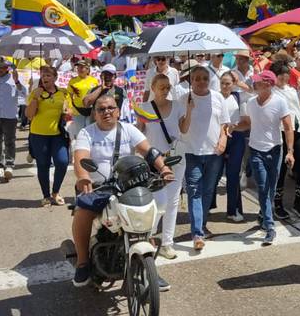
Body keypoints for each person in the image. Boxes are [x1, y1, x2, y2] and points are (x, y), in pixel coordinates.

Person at [72, 94, 173, 288]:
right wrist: (83, 176)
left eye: (110, 108)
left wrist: (163, 168)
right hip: (100, 186)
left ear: (118, 111)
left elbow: (149, 151)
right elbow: (80, 158)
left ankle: (149, 268)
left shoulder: (129, 130)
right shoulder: (87, 133)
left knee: (145, 215)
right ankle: (83, 261)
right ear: (95, 113)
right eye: (101, 109)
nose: (106, 112)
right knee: (82, 213)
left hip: (129, 185)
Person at [137, 73, 191, 260]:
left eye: (168, 87)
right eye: (162, 87)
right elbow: (140, 135)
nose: (166, 90)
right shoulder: (144, 108)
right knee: (155, 201)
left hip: (176, 158)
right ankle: (149, 236)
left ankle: (167, 242)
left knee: (172, 201)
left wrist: (189, 110)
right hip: (153, 160)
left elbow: (183, 129)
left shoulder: (177, 105)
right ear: (153, 88)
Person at [239, 70, 295, 245]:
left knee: (271, 189)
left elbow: (288, 127)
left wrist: (290, 151)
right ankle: (270, 227)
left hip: (275, 151)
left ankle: (264, 215)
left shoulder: (280, 102)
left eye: (258, 82)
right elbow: (247, 123)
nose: (254, 84)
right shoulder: (250, 103)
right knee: (263, 188)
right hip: (256, 151)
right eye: (255, 82)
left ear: (269, 85)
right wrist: (233, 127)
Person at [179, 65, 229, 250]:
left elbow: (225, 124)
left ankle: (202, 222)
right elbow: (182, 128)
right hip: (192, 152)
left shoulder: (217, 97)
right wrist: (189, 109)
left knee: (208, 190)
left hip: (214, 152)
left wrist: (223, 140)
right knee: (195, 191)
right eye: (197, 78)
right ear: (191, 81)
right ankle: (197, 233)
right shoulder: (183, 99)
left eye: (204, 78)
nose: (201, 82)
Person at [268, 60, 300, 220]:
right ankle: (277, 203)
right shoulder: (270, 91)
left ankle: (299, 202)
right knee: (280, 169)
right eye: (281, 76)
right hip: (280, 132)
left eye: (286, 76)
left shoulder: (292, 90)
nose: (284, 79)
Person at [25, 65, 70, 206]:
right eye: (43, 76)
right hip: (38, 134)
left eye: (48, 75)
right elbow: (29, 115)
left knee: (62, 162)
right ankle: (46, 195)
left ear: (55, 78)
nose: (45, 78)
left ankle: (55, 192)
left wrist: (67, 114)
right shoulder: (35, 93)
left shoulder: (62, 93)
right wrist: (35, 99)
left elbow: (67, 111)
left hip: (57, 134)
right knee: (43, 165)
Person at [220, 72, 248, 222]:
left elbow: (253, 91)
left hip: (236, 138)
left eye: (228, 83)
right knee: (215, 175)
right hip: (218, 137)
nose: (225, 86)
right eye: (222, 83)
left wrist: (239, 84)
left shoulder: (238, 96)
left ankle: (234, 209)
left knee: (233, 174)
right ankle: (207, 207)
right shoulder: (215, 96)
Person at [67, 59, 98, 139]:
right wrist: (70, 107)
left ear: (87, 69)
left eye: (82, 67)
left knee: (91, 132)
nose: (80, 69)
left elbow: (97, 95)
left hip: (91, 110)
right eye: (78, 67)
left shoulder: (94, 80)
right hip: (78, 111)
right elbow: (69, 95)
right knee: (80, 133)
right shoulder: (73, 81)